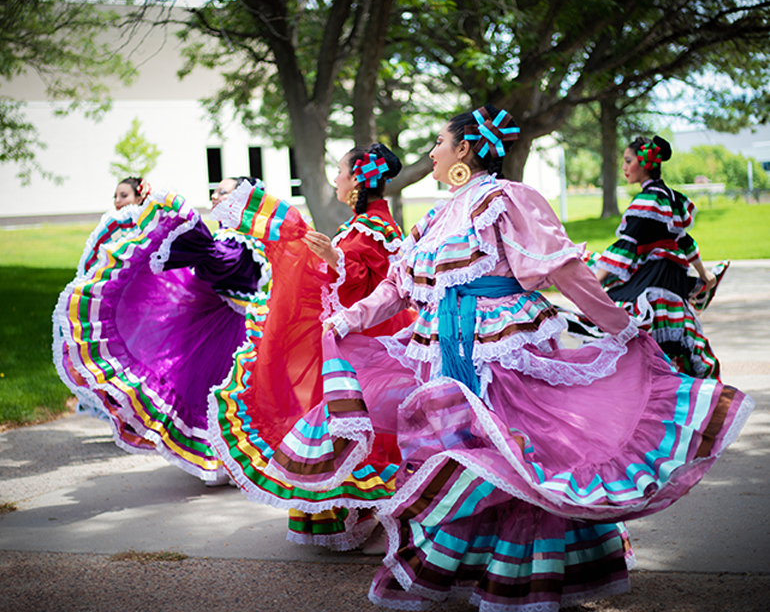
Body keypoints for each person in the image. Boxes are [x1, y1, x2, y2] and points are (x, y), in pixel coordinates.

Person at [231, 106, 754, 610]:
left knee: (515, 453)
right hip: (445, 351)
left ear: (464, 148)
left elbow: (564, 270)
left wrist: (619, 324)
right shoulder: (435, 216)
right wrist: (351, 318)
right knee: (461, 454)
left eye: (438, 142)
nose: (431, 152)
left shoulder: (508, 199)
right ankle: (478, 562)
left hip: (502, 349)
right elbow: (397, 286)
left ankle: (526, 573)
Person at [207, 143, 415, 550]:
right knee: (347, 422)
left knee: (350, 421)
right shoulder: (367, 225)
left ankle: (353, 508)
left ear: (357, 178)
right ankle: (347, 511)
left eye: (339, 171)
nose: (335, 178)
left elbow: (368, 283)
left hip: (360, 346)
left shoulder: (373, 228)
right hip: (356, 340)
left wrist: (331, 259)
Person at [53, 177, 269, 484]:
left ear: (243, 199)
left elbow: (219, 259)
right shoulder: (226, 238)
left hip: (235, 331)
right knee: (209, 394)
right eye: (216, 190)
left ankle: (235, 459)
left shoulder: (247, 242)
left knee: (229, 397)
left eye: (223, 191)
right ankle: (220, 459)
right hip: (211, 327)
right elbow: (207, 257)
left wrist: (177, 218)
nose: (215, 194)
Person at [575, 135, 728, 380]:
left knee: (635, 333)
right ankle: (673, 395)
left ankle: (647, 396)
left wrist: (595, 282)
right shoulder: (670, 195)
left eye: (628, 160)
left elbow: (627, 244)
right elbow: (682, 239)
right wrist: (702, 272)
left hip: (656, 279)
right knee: (670, 345)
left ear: (644, 163)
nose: (624, 167)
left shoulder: (647, 199)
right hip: (672, 278)